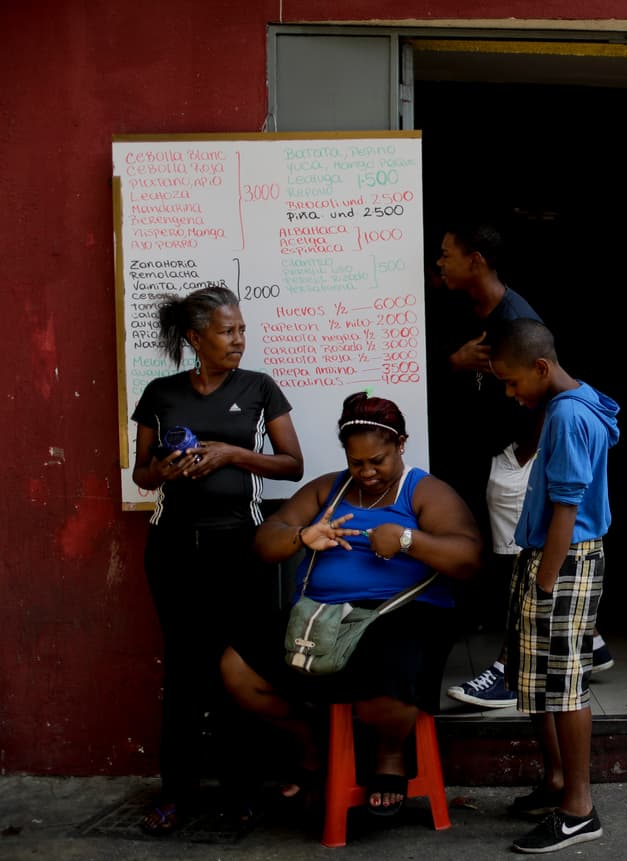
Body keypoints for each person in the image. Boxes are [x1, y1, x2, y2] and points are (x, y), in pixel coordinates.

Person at [220, 392, 483, 817]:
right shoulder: (328, 488)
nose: (367, 473)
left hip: (402, 612)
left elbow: (469, 559)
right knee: (237, 666)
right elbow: (265, 541)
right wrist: (303, 536)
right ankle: (311, 747)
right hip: (323, 614)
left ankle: (389, 757)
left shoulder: (424, 492)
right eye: (356, 462)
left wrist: (407, 540)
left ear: (401, 445)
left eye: (377, 460)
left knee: (391, 662)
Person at [130, 285, 305, 834]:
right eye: (228, 331)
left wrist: (232, 454)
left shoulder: (259, 389)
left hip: (240, 548)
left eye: (242, 329)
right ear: (195, 339)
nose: (239, 340)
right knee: (184, 671)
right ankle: (176, 795)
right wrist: (167, 469)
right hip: (174, 550)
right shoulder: (160, 393)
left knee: (239, 669)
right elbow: (141, 474)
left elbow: (292, 464)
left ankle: (241, 794)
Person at [431, 220, 612, 711]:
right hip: (501, 452)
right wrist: (455, 362)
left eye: (447, 253)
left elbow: (545, 392)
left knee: (521, 565)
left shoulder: (518, 321)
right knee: (516, 560)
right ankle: (589, 642)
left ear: (478, 260)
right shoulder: (467, 308)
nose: (438, 262)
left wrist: (523, 456)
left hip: (519, 457)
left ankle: (510, 670)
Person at [490, 318, 619, 853]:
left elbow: (567, 505)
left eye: (513, 381)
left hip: (562, 561)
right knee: (539, 679)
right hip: (547, 556)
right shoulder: (580, 399)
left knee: (564, 684)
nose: (511, 392)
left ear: (541, 367)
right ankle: (557, 783)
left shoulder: (566, 415)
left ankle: (579, 809)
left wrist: (545, 583)